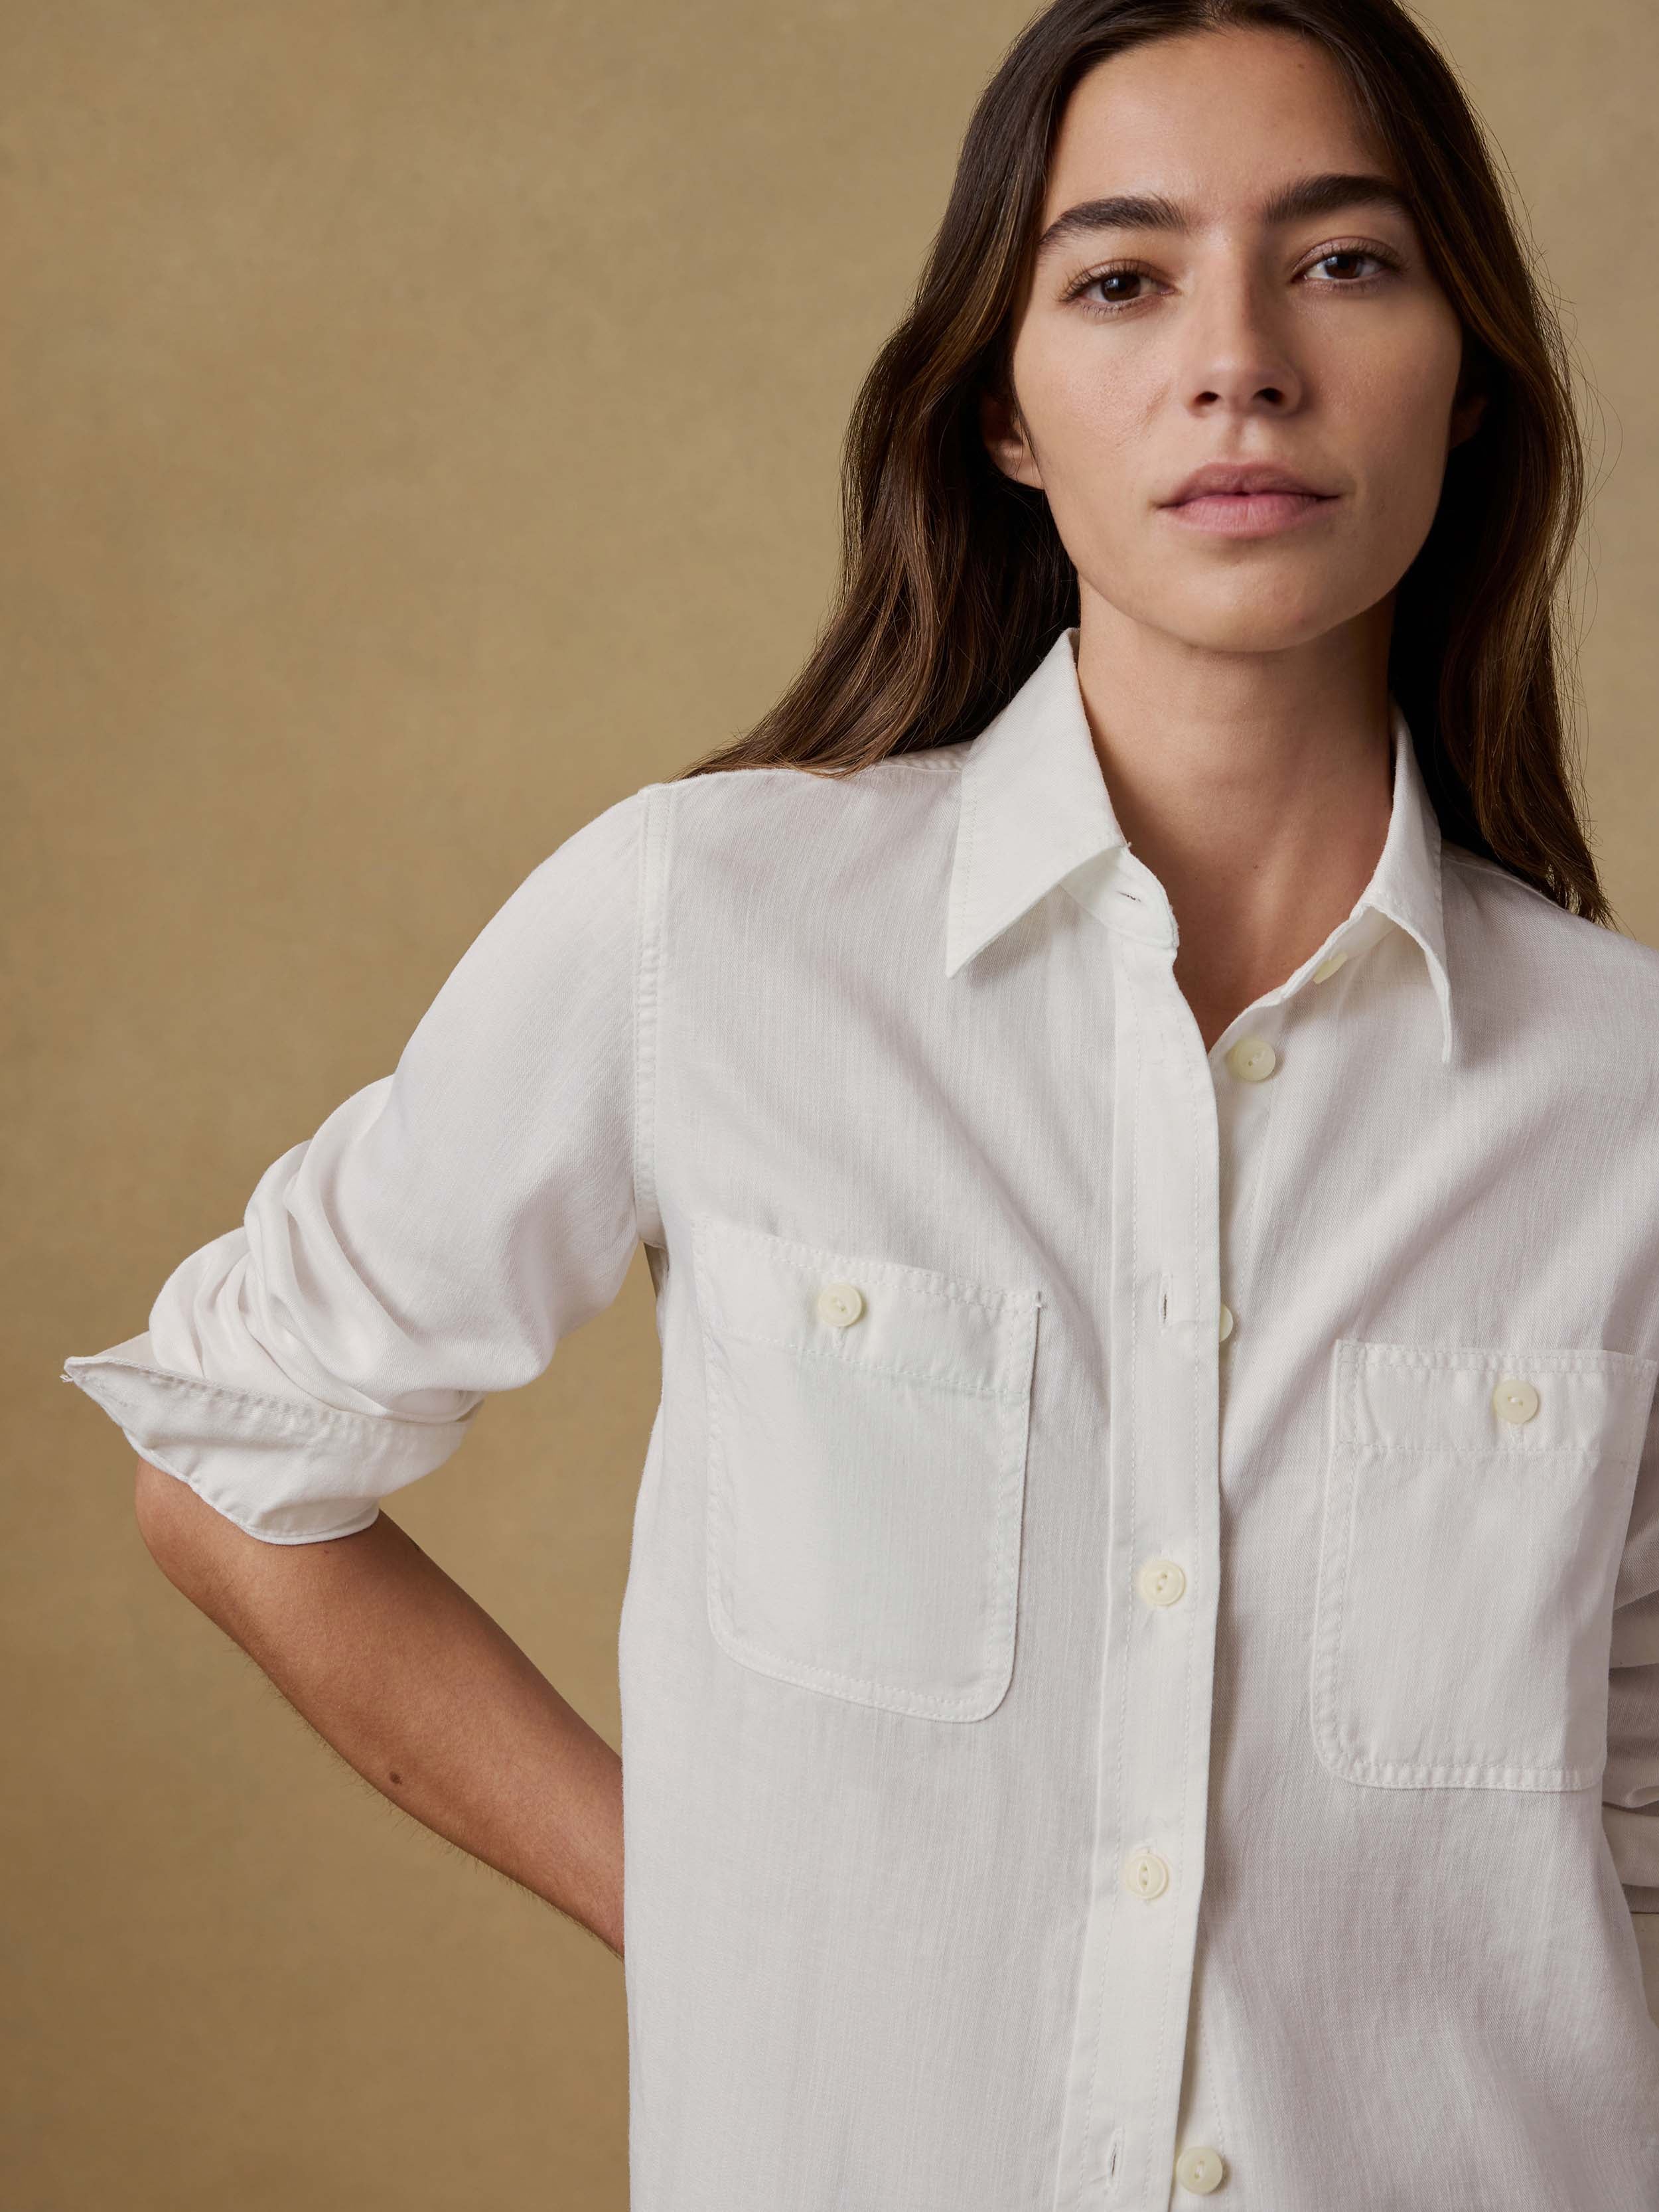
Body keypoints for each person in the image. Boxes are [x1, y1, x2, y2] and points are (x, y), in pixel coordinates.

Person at [62, 0, 1659, 2204]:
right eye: (1119, 278)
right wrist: (699, 1918)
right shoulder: (705, 928)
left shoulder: (1621, 1098)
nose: (1237, 362)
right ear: (1000, 413)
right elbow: (231, 1460)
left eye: (1341, 261)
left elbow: (1623, 1823)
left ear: (1466, 378)